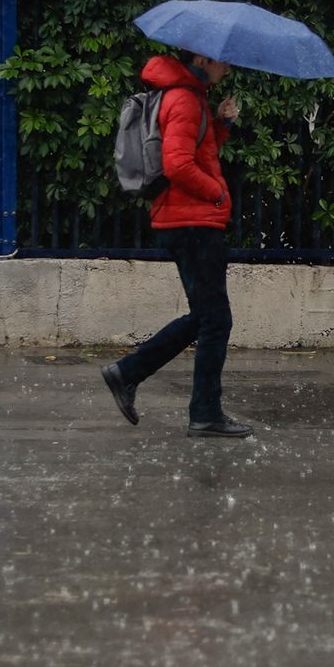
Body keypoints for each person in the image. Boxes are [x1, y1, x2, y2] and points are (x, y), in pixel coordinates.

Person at [100, 52, 252, 437]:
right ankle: (204, 414)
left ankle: (129, 374)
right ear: (201, 57)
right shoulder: (184, 98)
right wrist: (218, 194)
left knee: (206, 317)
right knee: (215, 319)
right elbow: (178, 165)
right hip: (193, 222)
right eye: (222, 61)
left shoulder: (191, 96)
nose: (228, 67)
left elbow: (198, 150)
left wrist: (221, 124)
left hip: (187, 220)